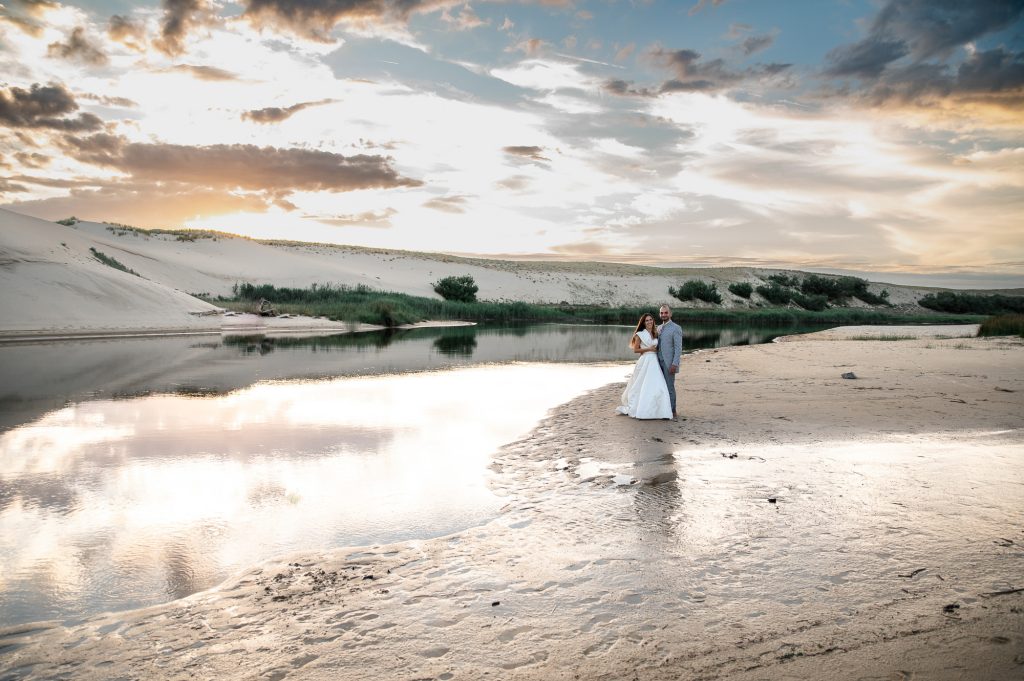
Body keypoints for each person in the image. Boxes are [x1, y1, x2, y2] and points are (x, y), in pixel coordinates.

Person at [616, 313, 673, 420]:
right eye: (647, 320)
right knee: (641, 385)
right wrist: (649, 349)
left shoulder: (655, 333)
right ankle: (642, 409)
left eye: (650, 319)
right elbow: (636, 350)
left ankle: (659, 411)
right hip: (645, 361)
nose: (649, 322)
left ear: (653, 321)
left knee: (657, 384)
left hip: (654, 361)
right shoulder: (640, 334)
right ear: (643, 323)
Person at [656, 304, 683, 418]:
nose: (664, 315)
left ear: (670, 314)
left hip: (669, 363)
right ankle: (662, 410)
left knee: (669, 387)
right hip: (657, 363)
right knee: (660, 387)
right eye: (662, 313)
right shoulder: (658, 328)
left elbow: (678, 348)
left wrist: (674, 364)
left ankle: (672, 411)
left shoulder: (676, 328)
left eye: (666, 312)